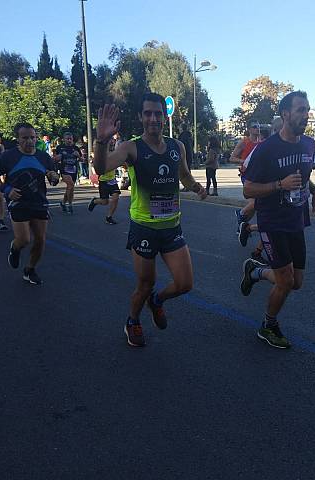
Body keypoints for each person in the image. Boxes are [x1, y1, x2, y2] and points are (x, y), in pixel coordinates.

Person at [93, 93, 206, 347]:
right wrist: (101, 141)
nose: (153, 118)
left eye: (158, 113)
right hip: (143, 228)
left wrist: (196, 186)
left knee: (185, 283)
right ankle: (132, 320)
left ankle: (157, 301)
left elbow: (184, 175)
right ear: (140, 117)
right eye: (148, 113)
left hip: (171, 227)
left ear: (164, 116)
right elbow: (101, 168)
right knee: (145, 284)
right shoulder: (131, 147)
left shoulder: (177, 147)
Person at [239, 91, 315, 349]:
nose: (305, 115)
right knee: (286, 280)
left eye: (307, 110)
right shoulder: (267, 150)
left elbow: (303, 174)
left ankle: (256, 272)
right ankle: (268, 325)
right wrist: (279, 184)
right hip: (272, 220)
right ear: (285, 114)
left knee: (296, 282)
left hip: (296, 220)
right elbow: (248, 189)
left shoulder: (309, 145)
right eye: (300, 110)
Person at [0, 122, 59, 284]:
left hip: (39, 202)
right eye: (25, 138)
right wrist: (7, 189)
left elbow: (52, 177)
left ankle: (30, 270)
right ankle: (15, 248)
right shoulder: (8, 157)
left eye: (32, 137)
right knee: (24, 239)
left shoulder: (43, 156)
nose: (30, 141)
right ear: (17, 139)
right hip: (18, 203)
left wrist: (54, 177)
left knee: (40, 240)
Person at [230, 120, 262, 232]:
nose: (257, 128)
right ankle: (241, 213)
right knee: (255, 202)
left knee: (254, 207)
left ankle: (242, 227)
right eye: (254, 126)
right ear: (249, 130)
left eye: (258, 126)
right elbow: (232, 158)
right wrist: (244, 161)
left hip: (259, 176)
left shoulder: (262, 143)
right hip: (247, 176)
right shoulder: (244, 142)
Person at [54, 132, 82, 214]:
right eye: (67, 139)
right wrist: (58, 157)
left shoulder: (76, 148)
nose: (69, 140)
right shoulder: (60, 147)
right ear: (64, 139)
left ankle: (63, 203)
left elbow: (82, 160)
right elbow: (55, 159)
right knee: (71, 185)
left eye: (70, 139)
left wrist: (79, 156)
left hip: (73, 170)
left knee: (69, 188)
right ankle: (70, 205)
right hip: (64, 170)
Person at [178, 124, 194, 190]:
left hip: (185, 155)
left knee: (184, 171)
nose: (178, 129)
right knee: (188, 170)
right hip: (189, 155)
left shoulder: (183, 136)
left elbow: (180, 146)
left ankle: (187, 186)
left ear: (182, 128)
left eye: (179, 127)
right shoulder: (189, 136)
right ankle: (187, 186)